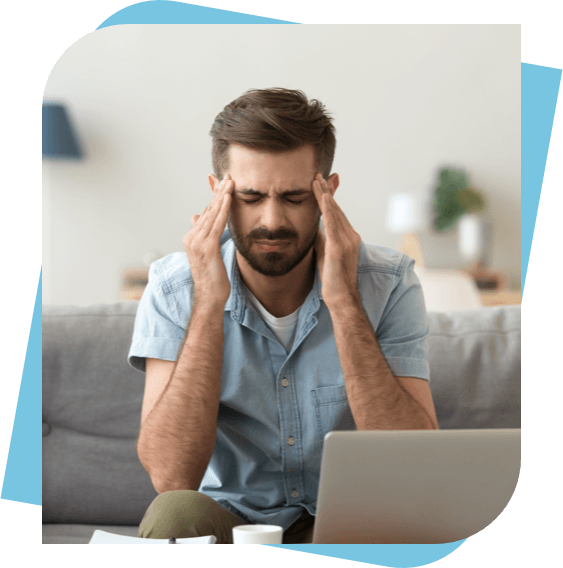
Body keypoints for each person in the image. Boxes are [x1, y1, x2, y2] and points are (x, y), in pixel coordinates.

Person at [128, 88, 439, 544]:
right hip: (236, 518)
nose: (272, 220)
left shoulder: (388, 283)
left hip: (358, 521)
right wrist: (209, 304)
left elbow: (412, 462)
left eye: (294, 197)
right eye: (251, 197)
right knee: (174, 512)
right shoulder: (175, 288)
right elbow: (172, 476)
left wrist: (345, 302)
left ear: (327, 193)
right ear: (218, 194)